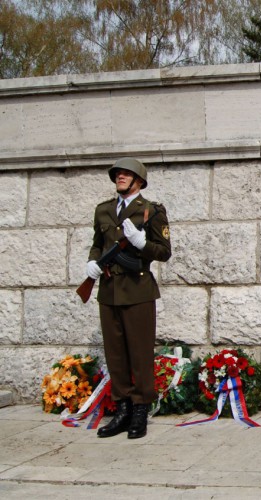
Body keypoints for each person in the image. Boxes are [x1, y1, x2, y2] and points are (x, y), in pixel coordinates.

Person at [86, 158, 171, 439]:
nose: (120, 177)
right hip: (109, 291)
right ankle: (122, 409)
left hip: (138, 291)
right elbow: (97, 244)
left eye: (126, 174)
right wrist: (92, 262)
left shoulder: (151, 211)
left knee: (140, 353)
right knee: (115, 354)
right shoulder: (103, 210)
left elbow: (164, 252)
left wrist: (141, 243)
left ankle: (140, 410)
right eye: (117, 174)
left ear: (139, 181)